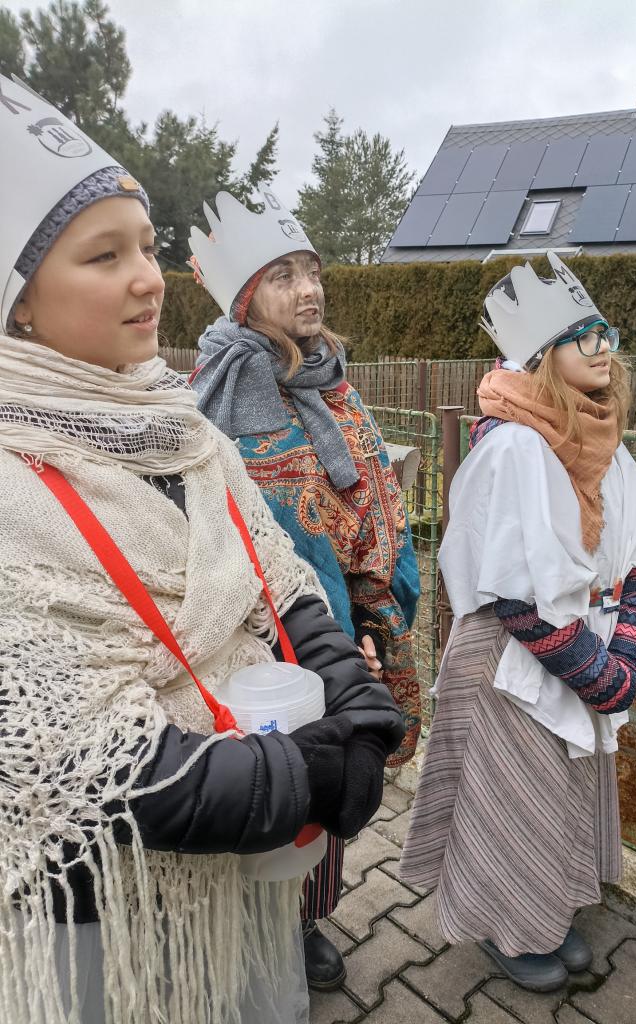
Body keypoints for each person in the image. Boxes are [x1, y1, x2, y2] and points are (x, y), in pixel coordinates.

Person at [0, 75, 404, 1024]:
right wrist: (298, 776)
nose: (150, 277)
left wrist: (347, 689)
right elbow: (74, 754)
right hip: (101, 903)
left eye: (146, 246)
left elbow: (275, 576)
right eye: (105, 255)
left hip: (236, 864)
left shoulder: (182, 426)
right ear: (19, 305)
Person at [399, 252, 636, 993]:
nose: (602, 348)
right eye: (583, 336)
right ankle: (509, 931)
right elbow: (515, 594)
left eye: (605, 332)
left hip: (590, 653)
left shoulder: (609, 446)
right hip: (516, 661)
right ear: (544, 355)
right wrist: (597, 672)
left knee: (561, 796)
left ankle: (545, 912)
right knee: (514, 800)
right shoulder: (516, 445)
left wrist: (627, 652)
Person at [188, 190, 421, 989]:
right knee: (271, 778)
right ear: (244, 296)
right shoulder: (217, 394)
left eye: (312, 271)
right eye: (284, 275)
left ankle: (306, 919)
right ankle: (249, 926)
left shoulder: (333, 382)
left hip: (343, 626)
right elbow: (222, 524)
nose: (309, 289)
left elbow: (377, 507)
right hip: (257, 641)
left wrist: (371, 619)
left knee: (332, 779)